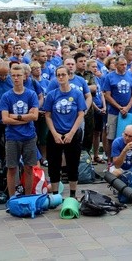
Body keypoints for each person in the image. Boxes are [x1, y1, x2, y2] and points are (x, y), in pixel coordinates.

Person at [43, 66, 87, 198]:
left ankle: (72, 194)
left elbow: (80, 114)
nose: (61, 77)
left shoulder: (77, 94)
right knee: (53, 164)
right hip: (55, 133)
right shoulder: (52, 95)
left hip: (72, 133)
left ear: (69, 76)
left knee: (73, 164)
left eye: (63, 74)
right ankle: (56, 194)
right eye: (58, 75)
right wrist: (55, 134)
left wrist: (71, 133)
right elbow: (47, 115)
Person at [0, 64, 39, 196]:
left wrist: (15, 116)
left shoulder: (31, 94)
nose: (16, 78)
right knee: (11, 169)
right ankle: (12, 198)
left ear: (24, 77)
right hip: (12, 137)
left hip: (29, 136)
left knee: (29, 168)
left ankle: (27, 197)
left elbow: (35, 116)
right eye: (13, 76)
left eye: (19, 75)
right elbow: (5, 119)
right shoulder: (6, 96)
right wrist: (26, 118)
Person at [103, 56, 132, 156]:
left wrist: (127, 107)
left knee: (129, 136)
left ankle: (126, 158)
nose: (124, 66)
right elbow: (107, 95)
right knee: (111, 137)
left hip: (128, 111)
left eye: (125, 64)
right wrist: (119, 107)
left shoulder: (130, 75)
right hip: (114, 111)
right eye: (122, 64)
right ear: (116, 65)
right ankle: (110, 160)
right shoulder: (109, 77)